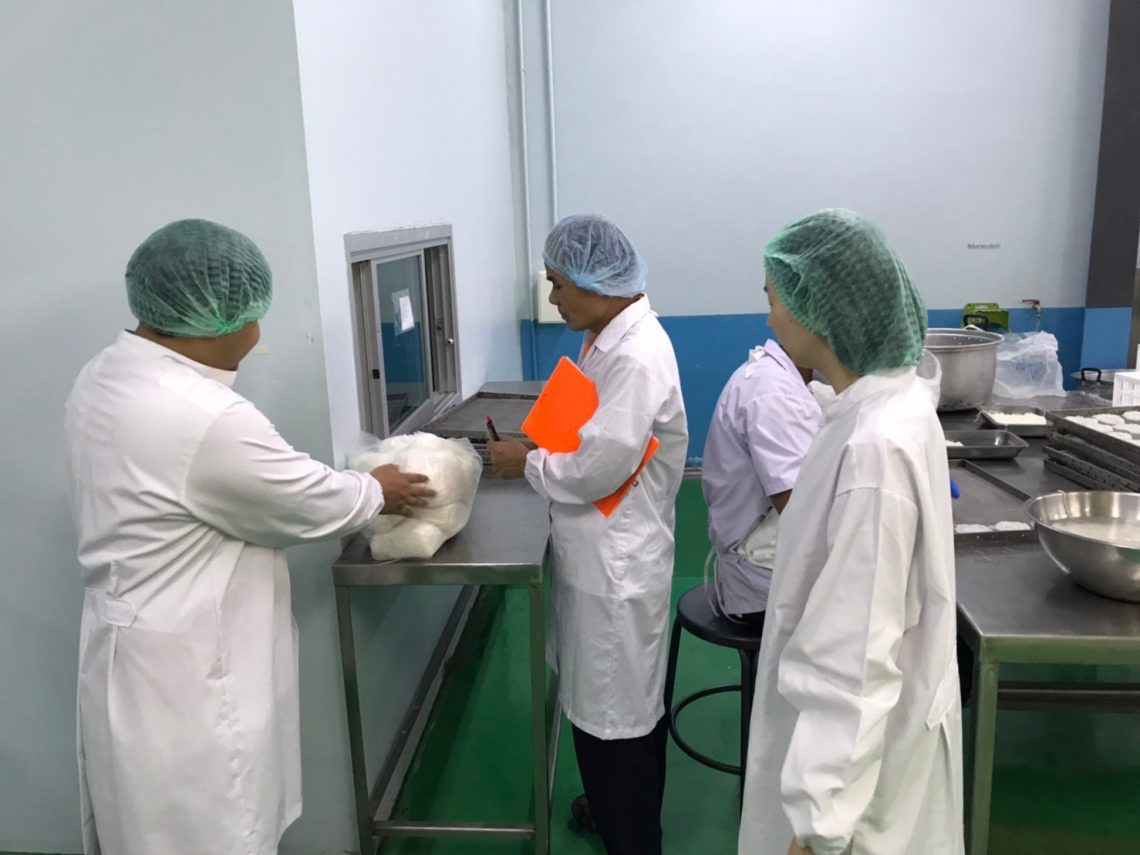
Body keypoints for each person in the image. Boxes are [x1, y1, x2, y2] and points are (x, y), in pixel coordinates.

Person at [64, 219, 434, 855]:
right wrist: (378, 489)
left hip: (129, 653)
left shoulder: (105, 374)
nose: (257, 330)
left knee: (143, 832)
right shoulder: (202, 415)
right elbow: (301, 500)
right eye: (253, 315)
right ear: (216, 319)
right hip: (188, 678)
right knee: (209, 834)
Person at [737, 209, 963, 855]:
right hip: (873, 757)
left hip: (856, 795)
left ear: (821, 310)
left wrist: (819, 823)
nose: (771, 320)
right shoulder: (887, 405)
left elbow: (854, 656)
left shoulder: (873, 451)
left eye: (774, 299)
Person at [488, 214, 687, 855]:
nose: (552, 298)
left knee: (615, 716)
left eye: (556, 283)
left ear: (594, 281)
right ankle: (614, 810)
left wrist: (526, 464)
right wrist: (539, 441)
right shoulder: (607, 337)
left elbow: (600, 466)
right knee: (611, 703)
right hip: (600, 550)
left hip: (616, 563)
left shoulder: (634, 356)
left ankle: (630, 835)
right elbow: (585, 422)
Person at [702, 340, 820, 625]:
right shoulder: (771, 393)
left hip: (775, 560)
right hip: (764, 580)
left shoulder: (791, 379)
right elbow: (799, 512)